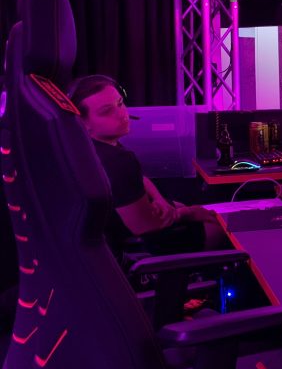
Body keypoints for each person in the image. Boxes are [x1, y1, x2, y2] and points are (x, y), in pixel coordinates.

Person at [67, 75, 228, 256]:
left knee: (185, 205)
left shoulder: (92, 147)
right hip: (137, 244)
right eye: (107, 111)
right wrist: (186, 213)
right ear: (83, 122)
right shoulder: (116, 160)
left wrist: (160, 199)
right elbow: (143, 225)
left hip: (115, 233)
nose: (122, 114)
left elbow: (139, 179)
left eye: (120, 104)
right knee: (220, 226)